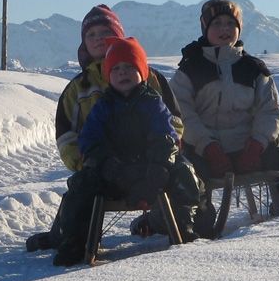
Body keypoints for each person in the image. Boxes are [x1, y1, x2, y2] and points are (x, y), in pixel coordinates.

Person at [26, 4, 185, 252]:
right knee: (80, 190)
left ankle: (188, 227)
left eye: (105, 32)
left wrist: (161, 161)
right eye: (91, 35)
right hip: (103, 166)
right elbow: (67, 137)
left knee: (188, 176)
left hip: (151, 164)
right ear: (83, 43)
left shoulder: (150, 80)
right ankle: (69, 239)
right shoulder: (77, 89)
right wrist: (93, 163)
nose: (98, 39)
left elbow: (173, 122)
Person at [53, 36, 202, 266]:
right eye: (117, 69)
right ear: (108, 75)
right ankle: (75, 240)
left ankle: (187, 224)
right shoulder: (102, 107)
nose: (123, 73)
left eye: (130, 67)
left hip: (151, 170)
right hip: (113, 172)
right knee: (80, 186)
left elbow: (166, 136)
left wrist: (159, 166)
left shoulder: (153, 103)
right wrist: (106, 164)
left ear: (142, 73)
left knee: (185, 172)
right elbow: (90, 140)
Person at [170, 0, 279, 211]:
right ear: (205, 27)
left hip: (246, 150)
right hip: (203, 152)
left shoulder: (254, 69)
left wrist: (256, 146)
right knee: (184, 178)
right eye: (217, 23)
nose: (224, 29)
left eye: (230, 24)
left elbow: (271, 112)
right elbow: (181, 114)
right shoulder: (190, 70)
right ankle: (195, 227)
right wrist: (208, 147)